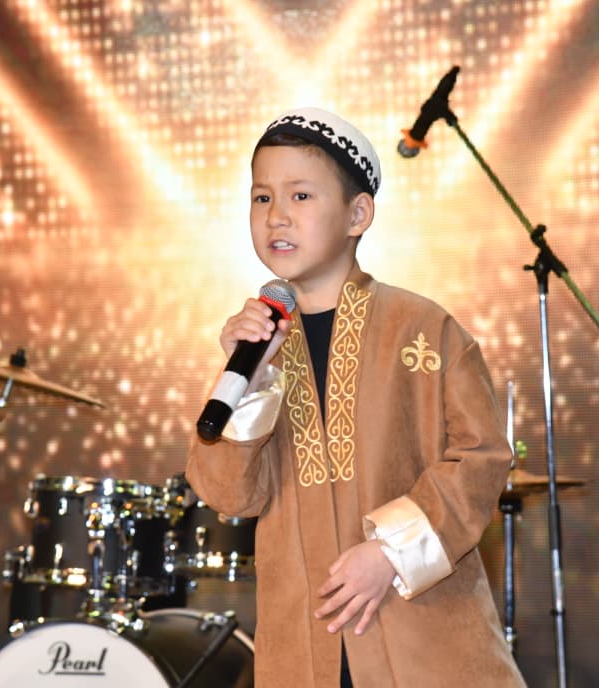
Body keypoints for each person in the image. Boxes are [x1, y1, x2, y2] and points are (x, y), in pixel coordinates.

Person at [186, 107, 526, 687]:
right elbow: (230, 494)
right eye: (262, 198)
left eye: (300, 196)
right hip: (303, 643)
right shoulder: (260, 348)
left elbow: (483, 456)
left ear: (358, 213)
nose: (276, 216)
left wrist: (392, 550)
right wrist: (253, 381)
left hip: (421, 636)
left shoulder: (423, 328)